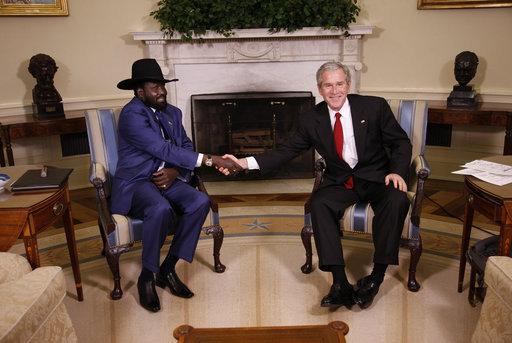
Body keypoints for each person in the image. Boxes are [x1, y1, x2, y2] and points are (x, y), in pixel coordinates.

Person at [221, 61, 412, 309]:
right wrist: (243, 163)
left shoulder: (374, 107)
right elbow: (285, 151)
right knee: (319, 203)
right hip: (342, 182)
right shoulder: (312, 119)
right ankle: (340, 282)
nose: (335, 91)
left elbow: (401, 143)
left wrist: (397, 171)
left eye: (339, 84)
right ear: (320, 89)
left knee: (397, 200)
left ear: (348, 85)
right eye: (328, 85)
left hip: (378, 177)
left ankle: (375, 278)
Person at [113, 58, 242, 312]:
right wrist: (209, 160)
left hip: (167, 178)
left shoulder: (172, 112)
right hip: (138, 181)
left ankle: (168, 268)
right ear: (140, 92)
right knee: (160, 209)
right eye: (154, 88)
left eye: (162, 85)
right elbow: (160, 148)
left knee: (200, 201)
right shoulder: (131, 115)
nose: (161, 91)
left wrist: (175, 171)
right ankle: (147, 277)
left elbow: (183, 147)